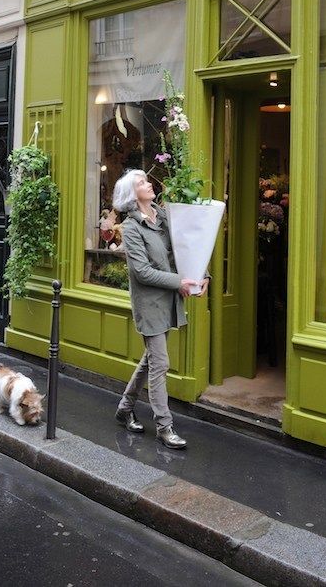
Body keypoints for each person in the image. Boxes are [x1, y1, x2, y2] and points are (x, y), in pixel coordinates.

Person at [112, 168, 208, 449]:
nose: (148, 184)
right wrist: (180, 281)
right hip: (150, 302)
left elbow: (185, 247)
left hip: (169, 299)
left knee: (151, 360)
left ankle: (125, 408)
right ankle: (164, 427)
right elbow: (141, 272)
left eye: (146, 180)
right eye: (141, 182)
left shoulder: (163, 216)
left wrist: (203, 276)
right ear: (132, 194)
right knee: (160, 363)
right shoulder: (131, 228)